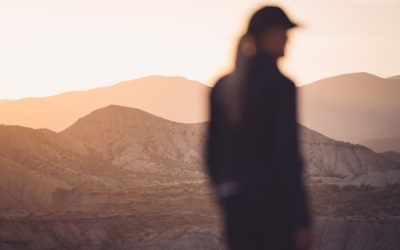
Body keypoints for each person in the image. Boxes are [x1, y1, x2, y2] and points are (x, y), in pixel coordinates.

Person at [206, 6, 313, 250]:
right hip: (275, 209)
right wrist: (302, 219)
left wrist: (226, 196)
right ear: (269, 34)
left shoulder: (223, 86)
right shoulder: (281, 86)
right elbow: (288, 157)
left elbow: (211, 153)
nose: (288, 38)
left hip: (237, 210)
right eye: (284, 32)